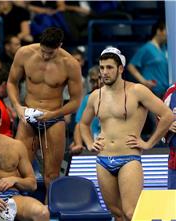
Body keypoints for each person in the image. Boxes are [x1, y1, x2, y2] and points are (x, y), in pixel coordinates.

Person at [79, 47, 173, 221]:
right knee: (116, 214)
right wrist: (89, 143)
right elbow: (83, 124)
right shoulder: (95, 96)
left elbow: (167, 115)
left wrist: (149, 143)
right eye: (101, 68)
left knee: (132, 213)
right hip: (103, 159)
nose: (104, 72)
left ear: (120, 69)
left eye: (109, 67)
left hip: (129, 159)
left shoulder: (137, 91)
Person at [7, 27, 82, 194]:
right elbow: (12, 82)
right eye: (43, 51)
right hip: (28, 117)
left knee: (51, 175)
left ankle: (51, 214)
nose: (45, 56)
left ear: (60, 46)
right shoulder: (24, 53)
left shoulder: (70, 64)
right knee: (19, 171)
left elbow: (76, 101)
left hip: (53, 119)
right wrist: (17, 106)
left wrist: (53, 114)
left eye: (50, 53)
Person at [127, 20, 168, 98]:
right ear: (159, 31)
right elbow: (131, 66)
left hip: (165, 91)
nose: (168, 35)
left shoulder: (165, 48)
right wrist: (143, 81)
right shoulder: (147, 48)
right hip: (152, 92)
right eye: (166, 31)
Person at [70, 65, 101, 155]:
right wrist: (78, 143)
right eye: (92, 81)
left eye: (97, 80)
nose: (95, 84)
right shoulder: (88, 98)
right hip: (91, 141)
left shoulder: (116, 96)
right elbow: (79, 124)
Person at [163, 83, 176, 189]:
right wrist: (168, 125)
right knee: (173, 203)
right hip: (175, 161)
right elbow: (161, 116)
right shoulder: (172, 91)